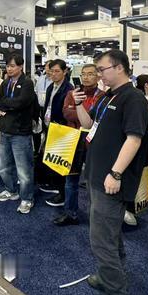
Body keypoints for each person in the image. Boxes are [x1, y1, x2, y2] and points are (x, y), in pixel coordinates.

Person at [71, 49, 148, 295]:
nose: (98, 75)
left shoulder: (133, 98)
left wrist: (115, 174)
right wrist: (78, 103)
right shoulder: (107, 97)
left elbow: (134, 140)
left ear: (119, 68)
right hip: (96, 175)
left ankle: (115, 288)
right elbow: (87, 124)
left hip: (111, 180)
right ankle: (112, 277)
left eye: (101, 69)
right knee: (109, 235)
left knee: (101, 238)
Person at [56, 63, 103, 226]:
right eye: (84, 74)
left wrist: (81, 113)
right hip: (73, 140)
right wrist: (85, 115)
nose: (86, 77)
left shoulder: (103, 96)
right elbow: (66, 113)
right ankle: (70, 213)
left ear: (98, 76)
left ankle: (96, 216)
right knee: (71, 180)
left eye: (90, 74)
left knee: (93, 183)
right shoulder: (73, 93)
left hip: (93, 143)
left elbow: (98, 118)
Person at [0, 53, 37, 214]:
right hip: (5, 130)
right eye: (7, 66)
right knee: (4, 167)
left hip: (21, 132)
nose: (9, 69)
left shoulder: (27, 83)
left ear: (20, 66)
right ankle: (11, 190)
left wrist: (5, 105)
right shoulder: (6, 82)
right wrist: (8, 105)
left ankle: (27, 198)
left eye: (12, 66)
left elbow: (21, 103)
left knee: (24, 170)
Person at [120, 74, 148, 227]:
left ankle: (143, 196)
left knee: (147, 167)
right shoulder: (138, 99)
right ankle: (127, 207)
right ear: (145, 84)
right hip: (142, 137)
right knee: (136, 169)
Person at [39, 59, 73, 208]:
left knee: (60, 164)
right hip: (50, 126)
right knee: (51, 160)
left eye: (57, 71)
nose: (53, 74)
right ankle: (55, 186)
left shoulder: (69, 89)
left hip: (62, 130)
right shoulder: (50, 87)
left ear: (65, 72)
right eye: (51, 71)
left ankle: (63, 195)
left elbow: (68, 113)